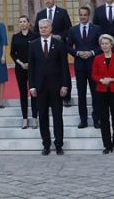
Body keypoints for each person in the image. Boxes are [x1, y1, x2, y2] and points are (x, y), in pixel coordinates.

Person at [28, 19, 70, 156]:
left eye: (46, 27)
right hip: (40, 88)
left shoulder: (59, 44)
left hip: (56, 86)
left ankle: (59, 145)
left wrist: (65, 85)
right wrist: (32, 86)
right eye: (41, 28)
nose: (43, 29)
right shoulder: (33, 45)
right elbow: (31, 68)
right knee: (43, 117)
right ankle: (46, 144)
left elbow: (65, 66)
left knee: (58, 117)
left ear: (51, 28)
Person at [35, 0, 73, 107]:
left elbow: (69, 29)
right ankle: (50, 95)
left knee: (63, 69)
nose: (48, 1)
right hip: (45, 47)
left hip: (59, 47)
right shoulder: (40, 14)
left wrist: (59, 36)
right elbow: (36, 31)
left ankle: (67, 97)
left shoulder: (62, 12)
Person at [66, 7, 102, 129]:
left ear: (89, 16)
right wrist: (77, 53)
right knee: (81, 94)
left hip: (94, 65)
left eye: (85, 15)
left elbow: (101, 45)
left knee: (95, 93)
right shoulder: (73, 30)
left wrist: (92, 52)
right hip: (80, 66)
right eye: (81, 15)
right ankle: (83, 120)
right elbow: (68, 46)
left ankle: (97, 119)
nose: (82, 17)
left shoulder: (97, 29)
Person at [92, 34, 114, 154]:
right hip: (101, 91)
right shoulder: (97, 58)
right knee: (104, 119)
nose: (104, 46)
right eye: (102, 44)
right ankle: (107, 145)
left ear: (112, 44)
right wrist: (101, 80)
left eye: (107, 43)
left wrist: (111, 79)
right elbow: (94, 74)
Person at [10, 15, 38, 129]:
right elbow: (12, 53)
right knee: (23, 93)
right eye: (20, 22)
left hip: (33, 68)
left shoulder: (35, 36)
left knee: (34, 92)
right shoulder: (15, 37)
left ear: (28, 23)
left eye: (24, 21)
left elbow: (37, 52)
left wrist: (30, 64)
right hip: (20, 68)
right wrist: (21, 63)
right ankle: (25, 118)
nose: (22, 23)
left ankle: (35, 117)